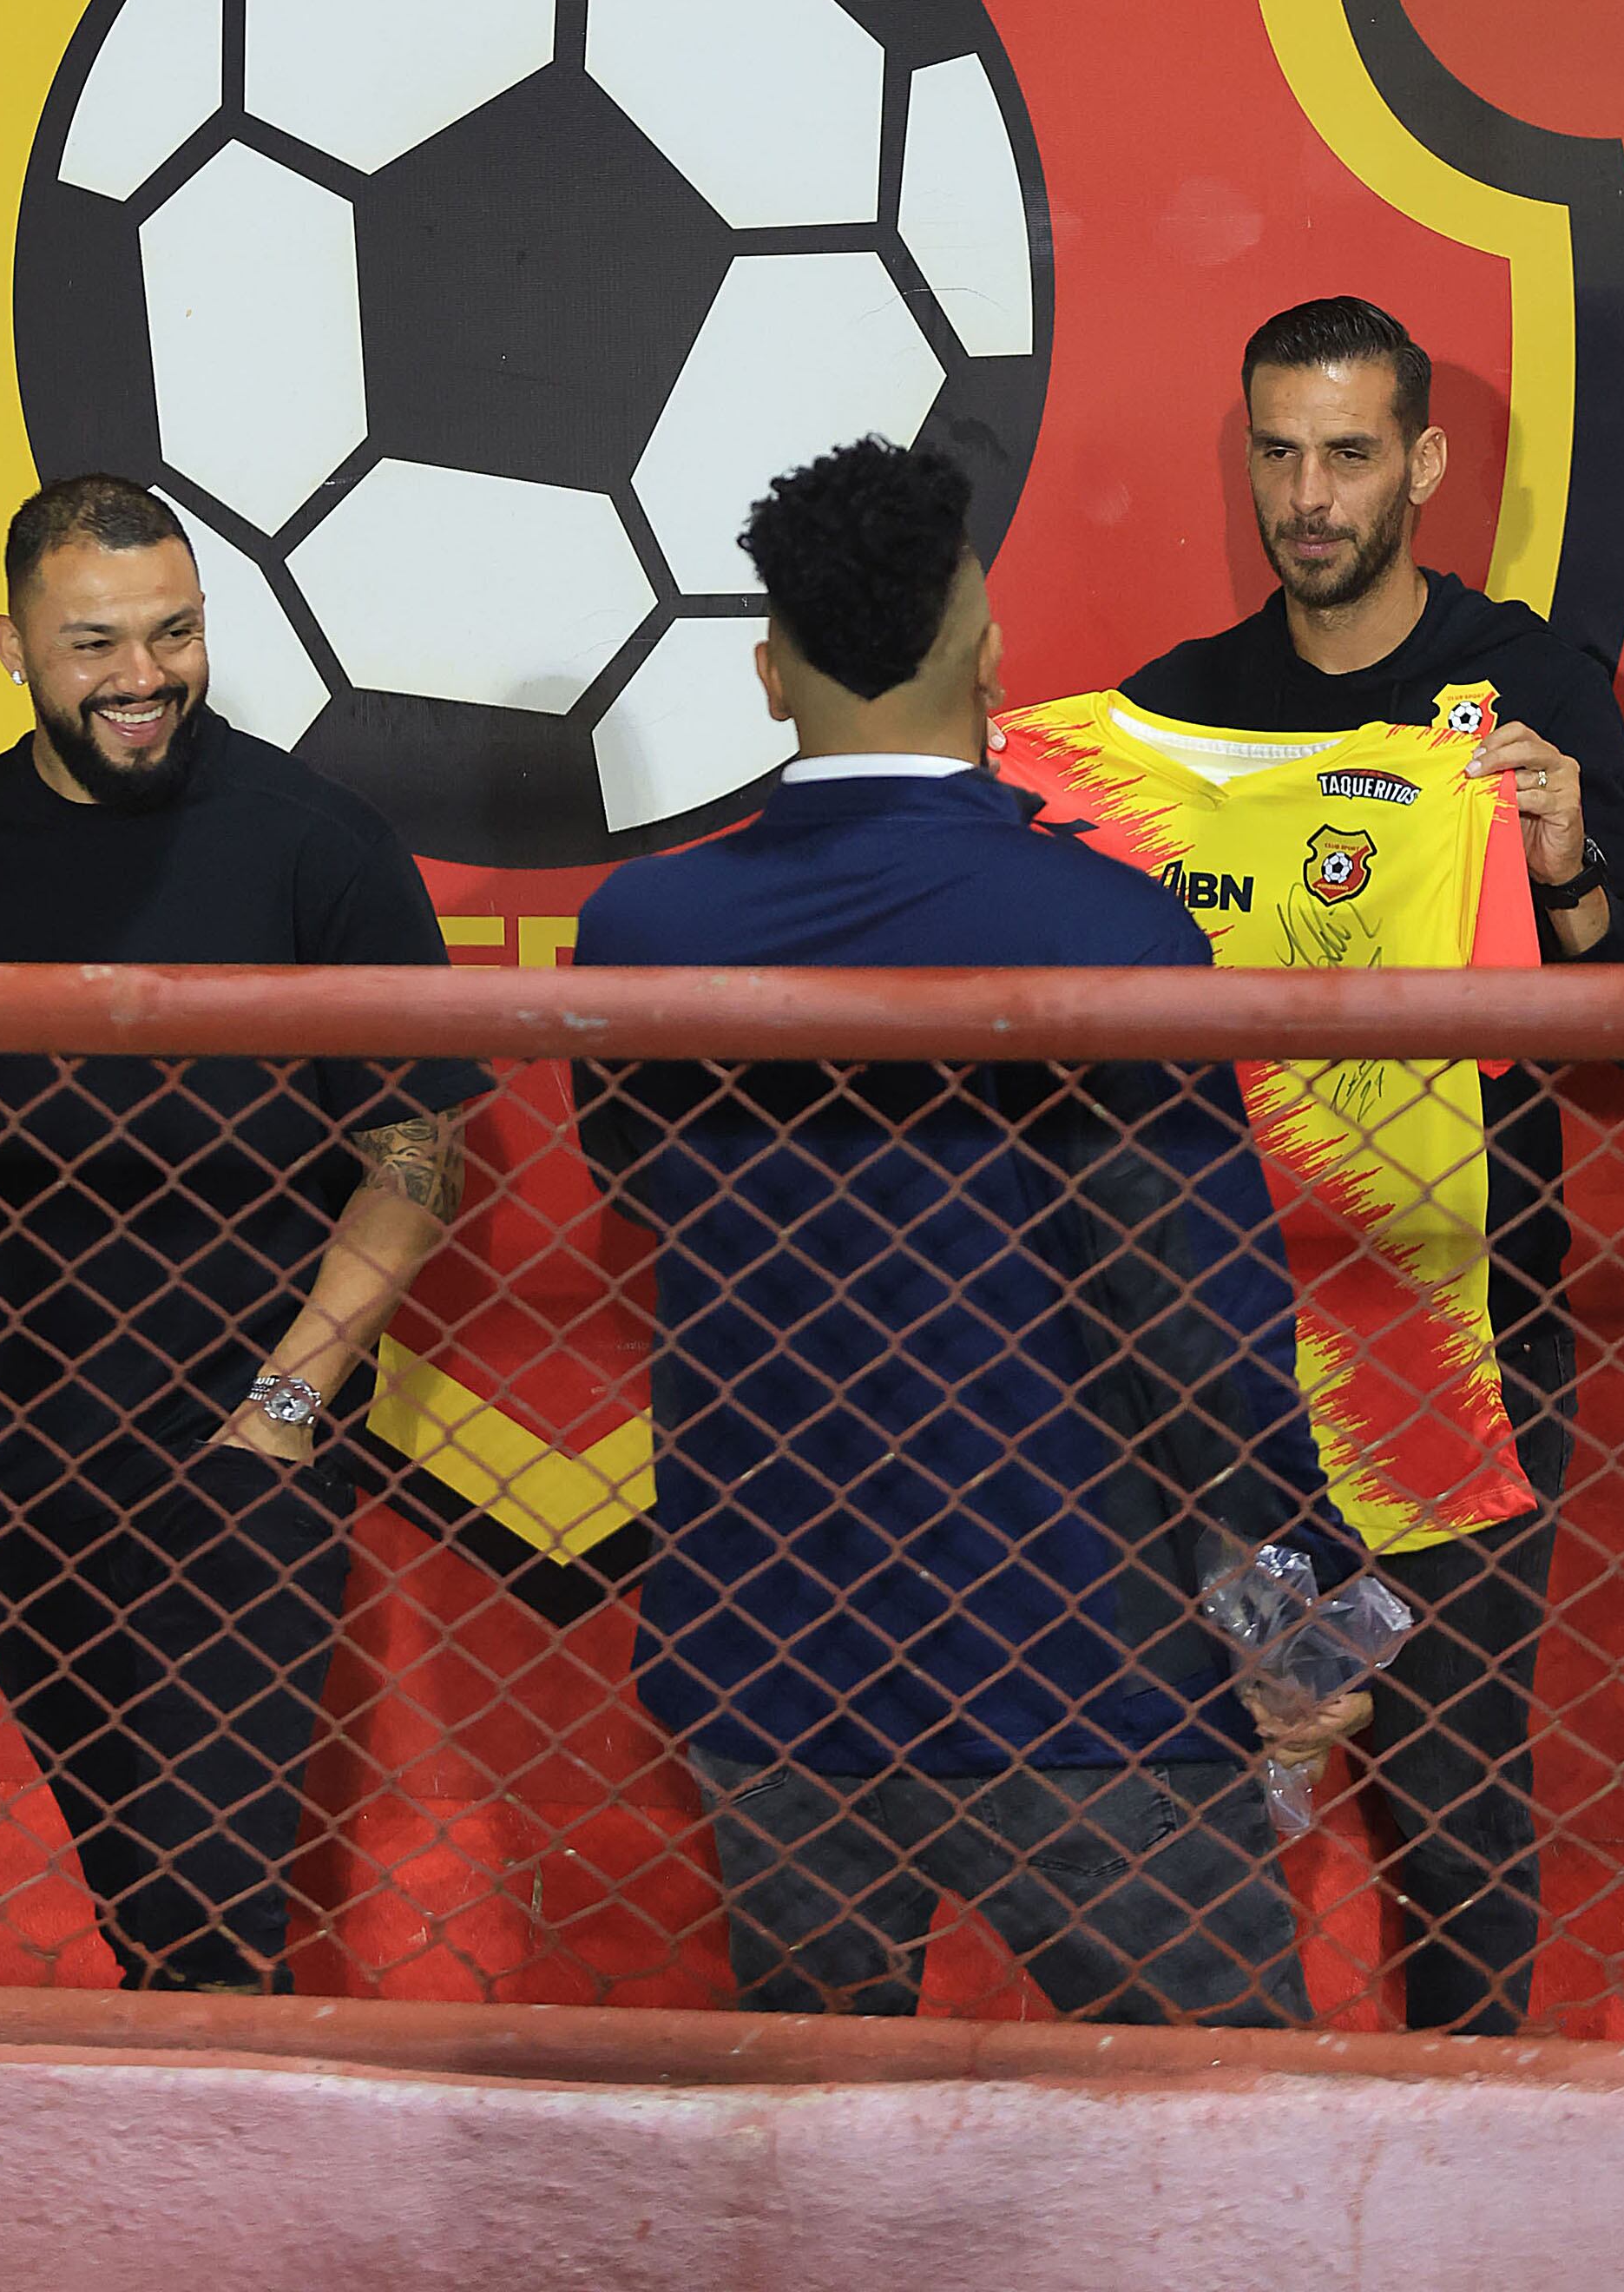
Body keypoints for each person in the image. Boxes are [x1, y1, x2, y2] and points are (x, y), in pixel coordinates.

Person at [575, 434, 1368, 2026]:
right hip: (1084, 1675)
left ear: (768, 671)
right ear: (991, 654)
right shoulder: (1104, 930)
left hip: (770, 1669)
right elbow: (1195, 1316)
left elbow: (636, 1187)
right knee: (1224, 2126)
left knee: (816, 2157)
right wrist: (1303, 1602)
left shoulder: (644, 930)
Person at [0, 475, 483, 1994]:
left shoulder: (311, 843)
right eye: (95, 645)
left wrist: (286, 1402)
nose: (144, 678)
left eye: (174, 633)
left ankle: (231, 2199)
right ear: (11, 646)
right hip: (28, 1455)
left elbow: (415, 1156)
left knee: (210, 1928)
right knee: (140, 1913)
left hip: (245, 1462)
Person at [1120, 297, 1624, 2032]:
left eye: (1348, 453)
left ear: (1425, 464)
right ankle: (1207, 2172)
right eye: (1278, 452)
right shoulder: (1176, 719)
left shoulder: (1527, 688)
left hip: (1465, 1334)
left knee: (1442, 1799)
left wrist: (1571, 869)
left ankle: (1460, 2157)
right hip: (1212, 1344)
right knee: (1191, 1798)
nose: (1309, 495)